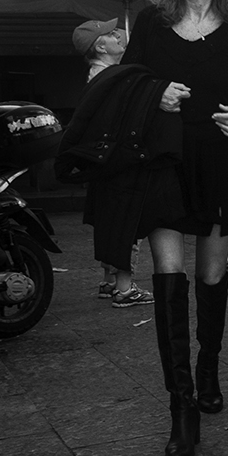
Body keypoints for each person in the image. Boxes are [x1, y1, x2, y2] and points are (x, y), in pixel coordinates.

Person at [123, 0, 228, 456]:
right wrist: (153, 92)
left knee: (211, 275)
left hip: (216, 162)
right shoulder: (152, 25)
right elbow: (125, 81)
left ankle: (208, 369)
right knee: (167, 275)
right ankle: (180, 404)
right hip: (163, 161)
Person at [72, 18, 153, 309]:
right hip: (120, 160)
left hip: (103, 160)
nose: (118, 34)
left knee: (107, 218)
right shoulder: (111, 78)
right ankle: (124, 288)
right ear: (100, 46)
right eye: (110, 32)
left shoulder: (99, 74)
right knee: (125, 221)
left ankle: (109, 280)